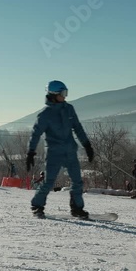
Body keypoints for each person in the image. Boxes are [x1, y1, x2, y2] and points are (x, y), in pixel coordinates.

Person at [26, 80, 94, 219]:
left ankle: (77, 208)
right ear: (53, 94)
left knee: (77, 181)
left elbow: (78, 127)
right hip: (54, 153)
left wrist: (87, 145)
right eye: (63, 93)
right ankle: (37, 206)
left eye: (66, 93)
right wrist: (31, 152)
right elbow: (36, 134)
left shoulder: (69, 109)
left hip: (70, 151)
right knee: (49, 181)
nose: (65, 96)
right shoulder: (45, 114)